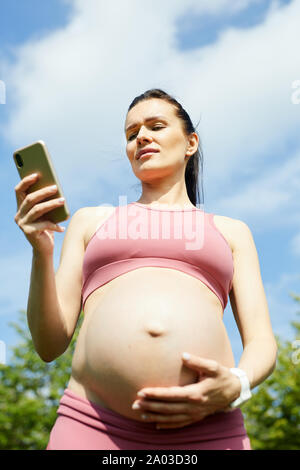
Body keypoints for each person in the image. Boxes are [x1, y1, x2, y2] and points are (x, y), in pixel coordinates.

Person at [14, 88, 277, 450]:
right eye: (131, 133)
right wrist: (40, 252)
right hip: (92, 425)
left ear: (190, 143)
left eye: (155, 126)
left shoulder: (232, 232)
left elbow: (262, 342)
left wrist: (238, 384)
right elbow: (48, 344)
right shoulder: (91, 222)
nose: (141, 137)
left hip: (208, 428)